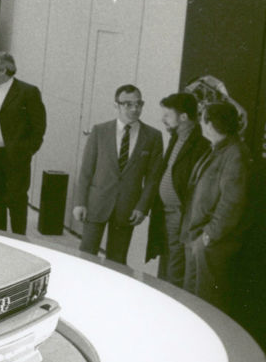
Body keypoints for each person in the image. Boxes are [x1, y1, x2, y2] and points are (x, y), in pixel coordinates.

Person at [72, 84, 165, 264]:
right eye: (128, 104)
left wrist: (142, 208)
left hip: (128, 207)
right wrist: (80, 202)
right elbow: (86, 171)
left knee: (117, 259)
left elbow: (153, 179)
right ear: (117, 105)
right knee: (86, 255)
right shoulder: (100, 131)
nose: (134, 109)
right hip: (96, 203)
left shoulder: (153, 137)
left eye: (138, 104)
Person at [182, 102, 249, 308]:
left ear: (210, 124)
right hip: (197, 238)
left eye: (202, 119)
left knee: (204, 303)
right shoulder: (217, 149)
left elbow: (232, 202)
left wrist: (209, 235)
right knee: (191, 300)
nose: (200, 123)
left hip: (210, 243)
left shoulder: (234, 154)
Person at [0, 51, 46, 234]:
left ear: (4, 70)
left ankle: (19, 240)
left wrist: (27, 150)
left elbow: (39, 126)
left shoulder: (27, 92)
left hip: (14, 157)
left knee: (16, 201)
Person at [146, 93, 211, 285]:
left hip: (180, 214)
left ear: (183, 117)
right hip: (166, 212)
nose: (162, 119)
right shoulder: (177, 137)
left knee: (176, 263)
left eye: (167, 115)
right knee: (168, 258)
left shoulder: (200, 144)